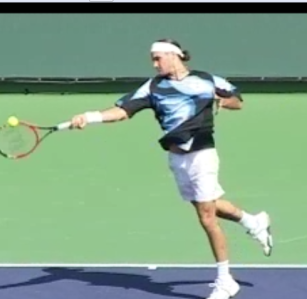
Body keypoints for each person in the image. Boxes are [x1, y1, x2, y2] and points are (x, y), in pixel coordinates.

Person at [68, 38, 273, 299]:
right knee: (208, 204)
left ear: (174, 56)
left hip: (202, 154)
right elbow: (122, 112)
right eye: (153, 59)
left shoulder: (206, 79)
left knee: (206, 217)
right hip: (177, 158)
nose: (154, 64)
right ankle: (253, 221)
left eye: (158, 58)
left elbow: (237, 100)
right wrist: (89, 117)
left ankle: (225, 281)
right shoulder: (153, 87)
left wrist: (219, 100)